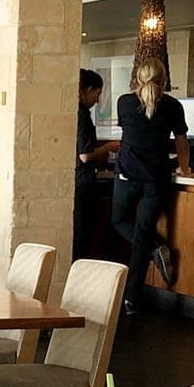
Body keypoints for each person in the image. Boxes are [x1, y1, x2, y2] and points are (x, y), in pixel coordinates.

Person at [110, 57, 189, 312]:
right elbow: (181, 143)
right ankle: (131, 299)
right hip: (157, 178)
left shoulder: (125, 102)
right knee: (142, 235)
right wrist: (186, 169)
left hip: (128, 175)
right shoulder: (174, 106)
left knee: (120, 221)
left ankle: (156, 247)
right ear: (164, 80)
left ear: (136, 78)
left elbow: (130, 134)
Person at [73, 69, 117, 260]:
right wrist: (109, 146)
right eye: (97, 94)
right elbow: (85, 155)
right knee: (83, 237)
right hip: (84, 182)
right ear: (88, 90)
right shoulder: (83, 116)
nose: (98, 100)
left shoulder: (71, 112)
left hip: (75, 181)